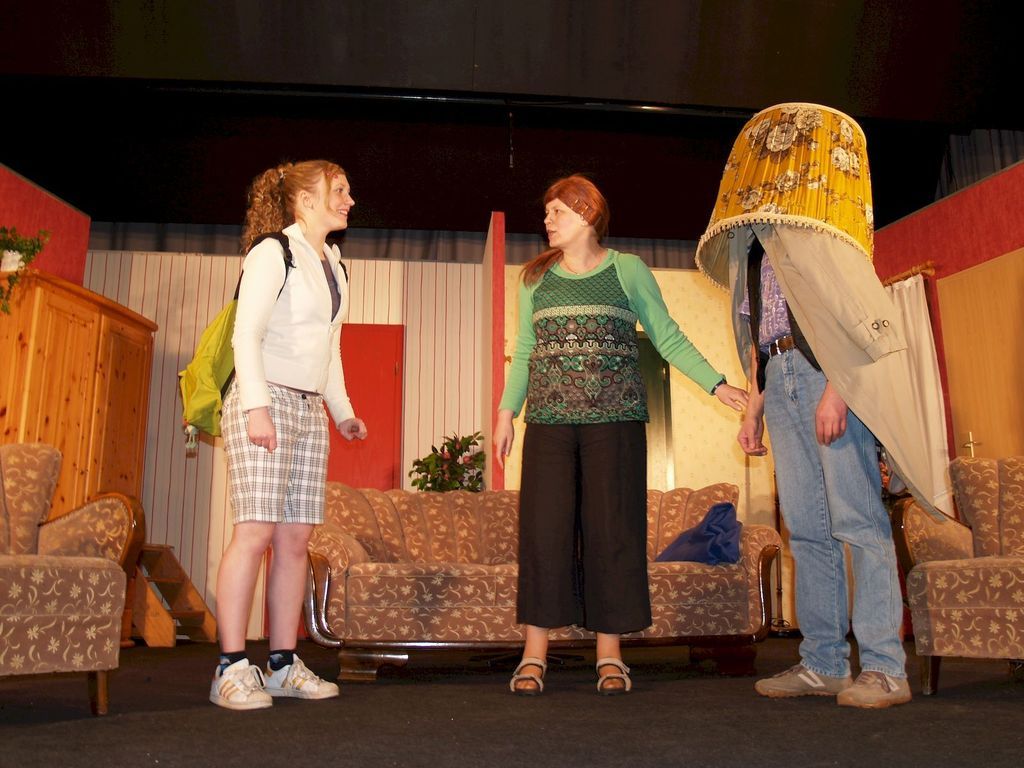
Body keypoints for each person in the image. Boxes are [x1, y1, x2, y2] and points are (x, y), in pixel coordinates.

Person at [696, 103, 918, 708]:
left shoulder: (822, 233)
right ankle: (823, 662)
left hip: (825, 374)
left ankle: (885, 668)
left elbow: (858, 316)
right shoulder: (751, 248)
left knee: (857, 519)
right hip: (780, 377)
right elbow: (756, 338)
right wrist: (753, 408)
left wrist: (839, 389)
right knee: (807, 527)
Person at [493, 174, 749, 696]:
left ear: (587, 214)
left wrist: (717, 384)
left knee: (612, 533)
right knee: (544, 534)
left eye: (558, 212)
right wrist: (505, 413)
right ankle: (534, 653)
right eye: (547, 212)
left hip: (615, 423)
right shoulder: (534, 279)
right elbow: (525, 351)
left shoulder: (628, 270)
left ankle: (609, 654)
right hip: (549, 425)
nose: (547, 221)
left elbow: (666, 335)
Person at [210, 160, 368, 710]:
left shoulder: (336, 265)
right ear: (305, 201)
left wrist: (341, 411)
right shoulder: (272, 252)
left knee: (296, 540)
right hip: (265, 399)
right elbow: (246, 334)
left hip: (307, 408)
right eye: (338, 191)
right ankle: (231, 667)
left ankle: (280, 663)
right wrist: (257, 408)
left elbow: (330, 347)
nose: (349, 200)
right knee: (254, 532)